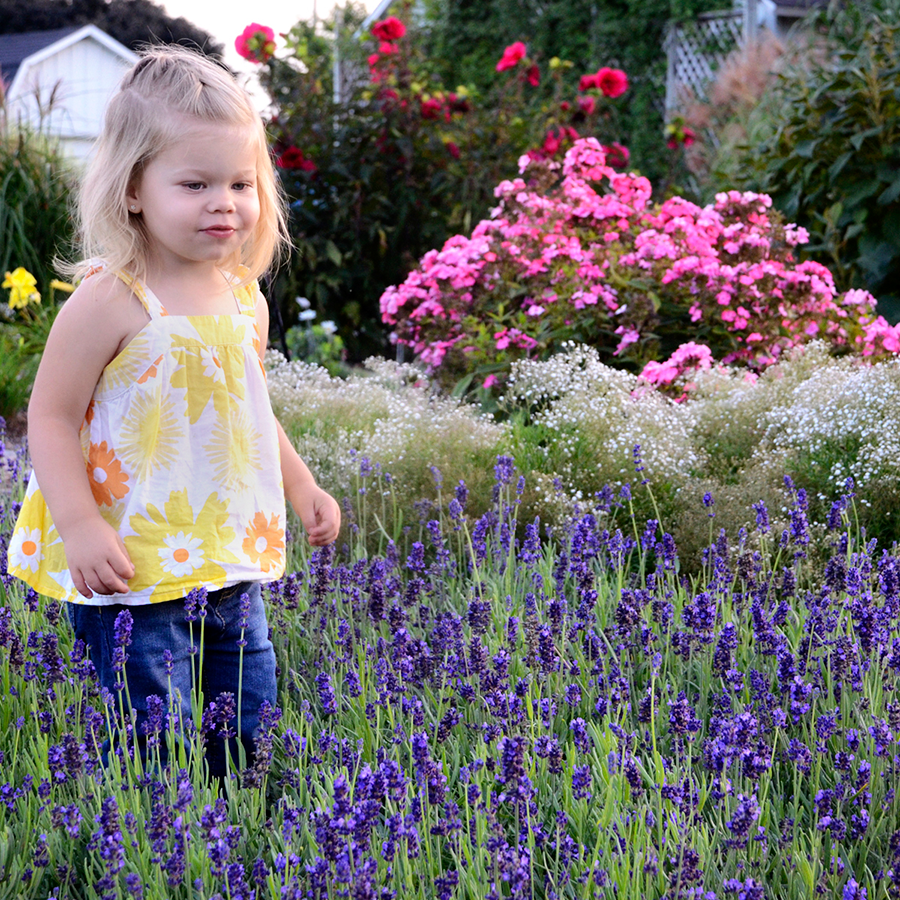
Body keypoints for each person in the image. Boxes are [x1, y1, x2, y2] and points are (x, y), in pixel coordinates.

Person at [6, 45, 341, 777]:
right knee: (153, 735)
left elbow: (249, 408)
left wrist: (301, 484)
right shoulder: (112, 296)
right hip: (131, 560)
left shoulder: (241, 298)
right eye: (194, 183)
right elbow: (52, 416)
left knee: (247, 718)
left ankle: (236, 833)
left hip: (224, 550)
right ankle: (159, 841)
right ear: (133, 189)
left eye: (240, 183)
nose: (224, 202)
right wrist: (80, 524)